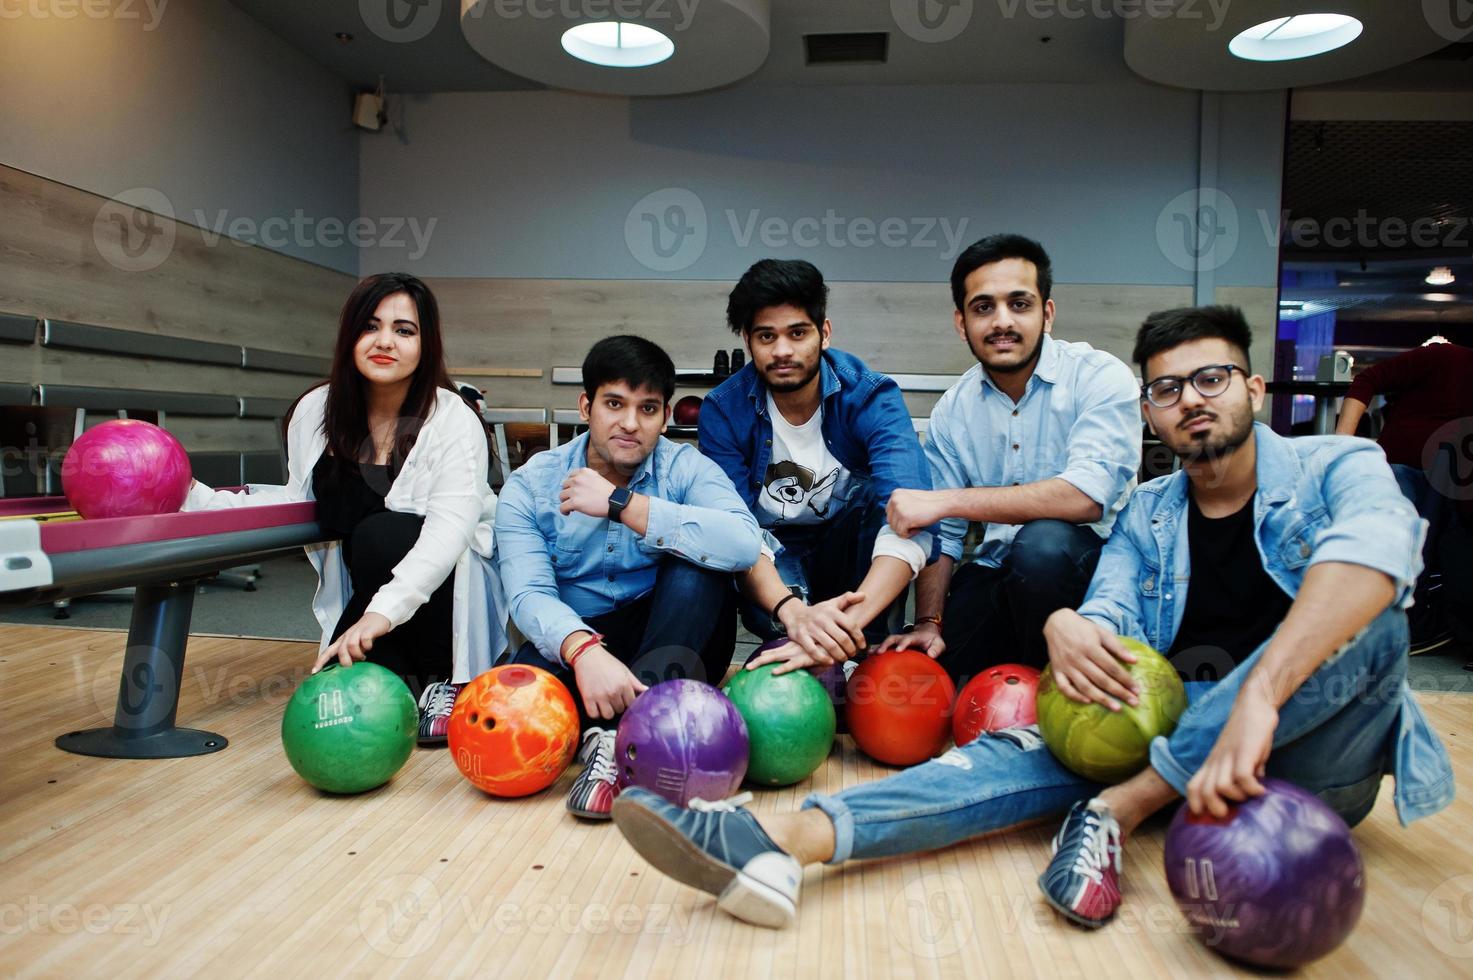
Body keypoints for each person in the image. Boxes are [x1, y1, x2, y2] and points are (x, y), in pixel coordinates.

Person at [608, 305, 1453, 931]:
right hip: (1176, 733)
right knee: (1017, 744)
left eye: (1212, 379)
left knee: (1371, 627)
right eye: (1166, 388)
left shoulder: (1336, 462)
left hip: (1314, 761)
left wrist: (1263, 693)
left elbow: (1380, 555)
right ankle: (777, 844)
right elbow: (1111, 605)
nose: (1190, 400)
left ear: (1253, 387)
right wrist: (1069, 628)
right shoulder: (1149, 512)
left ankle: (1115, 812)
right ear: (1149, 413)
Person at [185, 272, 507, 743]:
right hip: (374, 598)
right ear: (349, 335)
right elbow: (300, 502)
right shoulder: (315, 409)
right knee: (338, 710)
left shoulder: (452, 417)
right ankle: (406, 678)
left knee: (384, 534)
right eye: (370, 326)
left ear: (426, 344)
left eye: (404, 330)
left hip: (445, 592)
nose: (385, 342)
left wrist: (380, 614)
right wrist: (190, 497)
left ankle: (447, 681)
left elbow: (449, 533)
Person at [494, 336, 762, 819]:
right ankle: (622, 727)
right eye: (614, 404)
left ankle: (621, 740)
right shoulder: (531, 484)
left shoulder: (684, 467)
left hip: (678, 634)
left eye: (648, 408)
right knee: (521, 700)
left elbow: (744, 543)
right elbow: (528, 594)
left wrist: (624, 505)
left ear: (665, 417)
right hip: (584, 634)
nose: (630, 424)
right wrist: (583, 650)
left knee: (697, 568)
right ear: (587, 406)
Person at [881, 234, 1141, 680]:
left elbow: (1086, 497)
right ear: (962, 323)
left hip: (1093, 570)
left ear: (1048, 313)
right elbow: (943, 535)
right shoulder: (956, 408)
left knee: (1040, 545)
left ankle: (1057, 701)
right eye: (984, 307)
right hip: (999, 570)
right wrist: (929, 621)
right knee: (939, 677)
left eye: (1019, 304)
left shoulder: (1100, 377)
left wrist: (947, 500)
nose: (1002, 321)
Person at [698, 259, 935, 674]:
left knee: (890, 505)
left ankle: (865, 646)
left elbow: (913, 515)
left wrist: (846, 625)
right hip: (775, 554)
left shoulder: (870, 396)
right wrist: (795, 615)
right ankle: (822, 648)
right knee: (798, 652)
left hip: (852, 556)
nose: (783, 350)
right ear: (747, 341)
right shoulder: (723, 410)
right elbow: (733, 529)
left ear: (824, 333)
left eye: (798, 333)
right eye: (766, 336)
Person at [1335, 338, 1473, 653]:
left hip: (1455, 480)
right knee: (1407, 546)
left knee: (1453, 548)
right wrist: (1341, 443)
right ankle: (1396, 625)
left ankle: (1428, 623)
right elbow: (1367, 380)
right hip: (1405, 467)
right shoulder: (1444, 357)